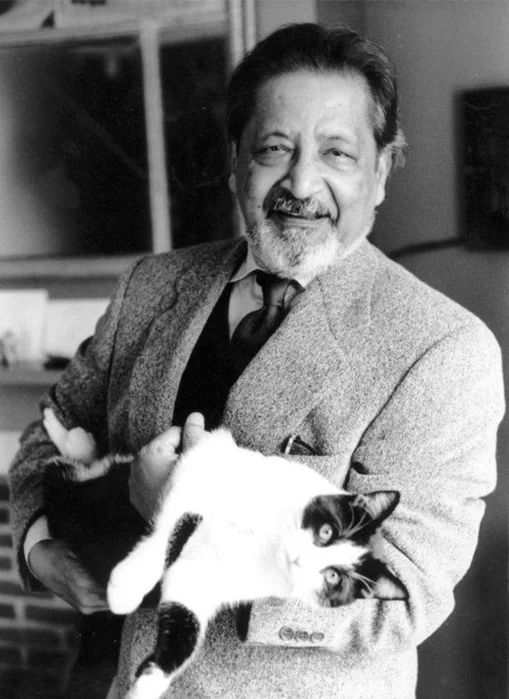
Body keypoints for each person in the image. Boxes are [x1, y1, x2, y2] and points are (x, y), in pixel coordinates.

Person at [9, 23, 504, 699]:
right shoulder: (151, 286)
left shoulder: (442, 349)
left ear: (381, 173)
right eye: (274, 148)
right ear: (236, 161)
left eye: (337, 153)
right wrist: (40, 549)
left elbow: (405, 591)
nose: (301, 182)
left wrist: (180, 522)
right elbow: (50, 430)